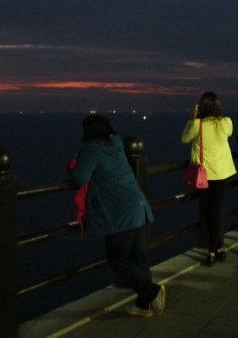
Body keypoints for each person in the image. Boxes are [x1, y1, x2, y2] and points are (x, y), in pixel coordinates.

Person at [68, 114, 165, 317]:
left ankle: (151, 292)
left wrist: (74, 164)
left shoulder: (92, 148)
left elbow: (80, 177)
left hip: (119, 213)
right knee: (137, 258)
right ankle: (145, 304)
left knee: (117, 260)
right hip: (138, 205)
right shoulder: (116, 144)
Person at [181, 91, 235, 266]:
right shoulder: (225, 122)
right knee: (216, 210)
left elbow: (184, 139)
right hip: (223, 173)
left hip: (204, 175)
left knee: (209, 212)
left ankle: (213, 250)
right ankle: (218, 248)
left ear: (201, 107)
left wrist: (192, 118)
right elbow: (228, 133)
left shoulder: (198, 124)